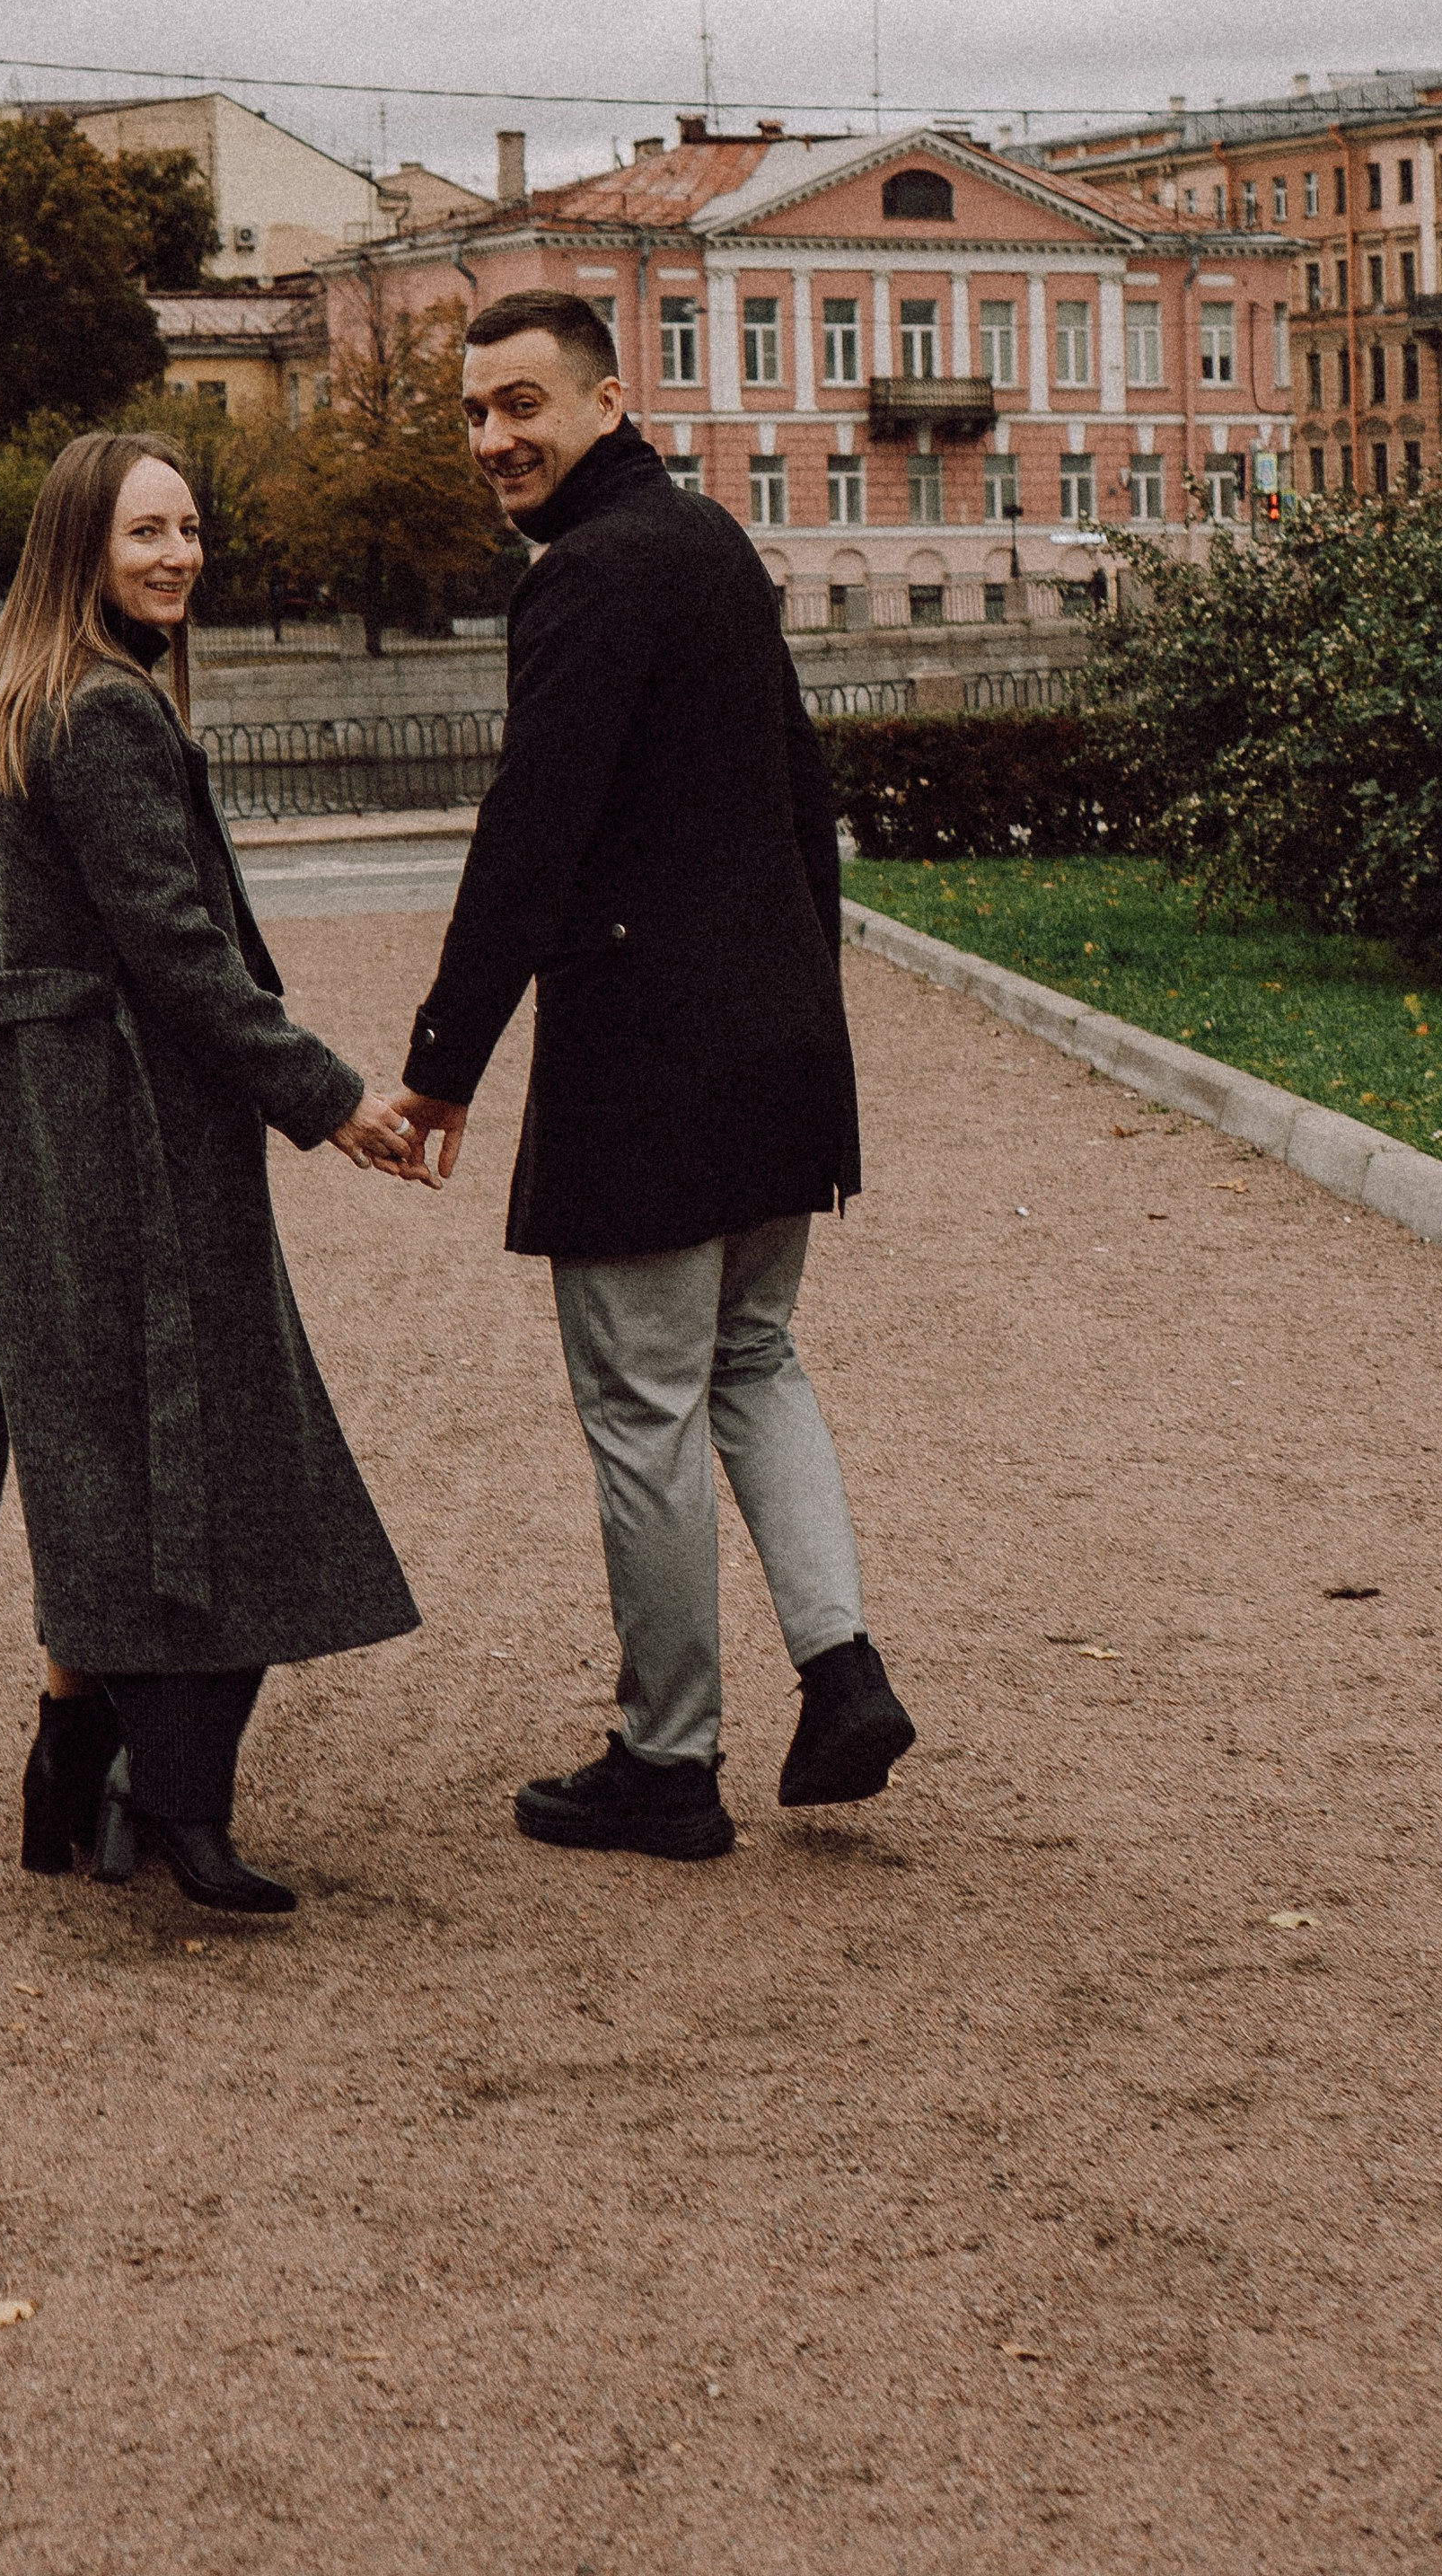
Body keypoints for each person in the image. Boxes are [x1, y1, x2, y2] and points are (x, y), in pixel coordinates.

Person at [393, 291, 915, 1862]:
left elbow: (527, 841)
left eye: (524, 405)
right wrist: (809, 1008)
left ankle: (668, 1757)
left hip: (651, 1061)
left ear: (608, 399)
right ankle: (843, 1669)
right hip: (774, 1044)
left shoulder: (586, 582)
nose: (494, 437)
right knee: (756, 1358)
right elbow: (802, 794)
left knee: (644, 1403)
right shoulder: (709, 547)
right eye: (476, 412)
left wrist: (442, 1062)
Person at [0, 429, 422, 1919]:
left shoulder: (4, 701)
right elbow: (176, 951)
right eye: (146, 532)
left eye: (192, 529)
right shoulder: (102, 713)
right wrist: (330, 1097)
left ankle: (70, 1770)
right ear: (81, 546)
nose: (179, 556)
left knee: (99, 1439)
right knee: (219, 1455)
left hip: (46, 1130)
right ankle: (182, 1811)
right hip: (140, 1130)